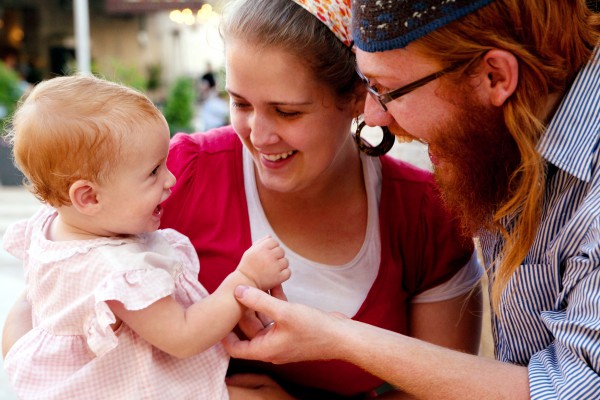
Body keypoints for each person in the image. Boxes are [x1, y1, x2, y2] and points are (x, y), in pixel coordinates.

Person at [2, 0, 483, 398]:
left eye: (287, 111)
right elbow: (47, 303)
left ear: (358, 97)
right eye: (241, 103)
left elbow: (443, 389)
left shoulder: (425, 214)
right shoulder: (176, 172)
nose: (259, 135)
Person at [221, 0, 600, 399]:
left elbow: (572, 391)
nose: (372, 115)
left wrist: (338, 337)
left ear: (494, 76)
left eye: (387, 90)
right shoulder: (499, 144)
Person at [2, 74, 290, 399]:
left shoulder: (49, 227)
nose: (170, 179)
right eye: (153, 171)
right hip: (133, 389)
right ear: (89, 198)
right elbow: (184, 335)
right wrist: (247, 277)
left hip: (105, 381)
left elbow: (31, 300)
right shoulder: (119, 271)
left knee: (258, 387)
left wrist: (20, 351)